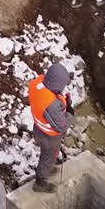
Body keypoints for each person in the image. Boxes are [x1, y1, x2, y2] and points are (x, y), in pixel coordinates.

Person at [28, 62, 75, 193]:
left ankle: (47, 168)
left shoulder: (40, 83)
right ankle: (40, 182)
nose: (63, 88)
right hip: (48, 136)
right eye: (62, 85)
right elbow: (62, 126)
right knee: (47, 157)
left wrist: (63, 103)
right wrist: (70, 112)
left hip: (39, 128)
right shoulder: (51, 105)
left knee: (50, 156)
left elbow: (52, 101)